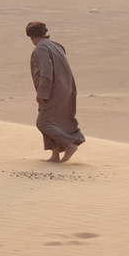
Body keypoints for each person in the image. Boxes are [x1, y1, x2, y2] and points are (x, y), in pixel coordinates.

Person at [27, 21, 85, 163]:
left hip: (54, 90)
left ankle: (69, 144)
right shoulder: (56, 45)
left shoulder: (40, 49)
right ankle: (55, 155)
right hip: (66, 88)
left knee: (43, 122)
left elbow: (46, 72)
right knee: (53, 121)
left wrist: (42, 93)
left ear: (30, 35)